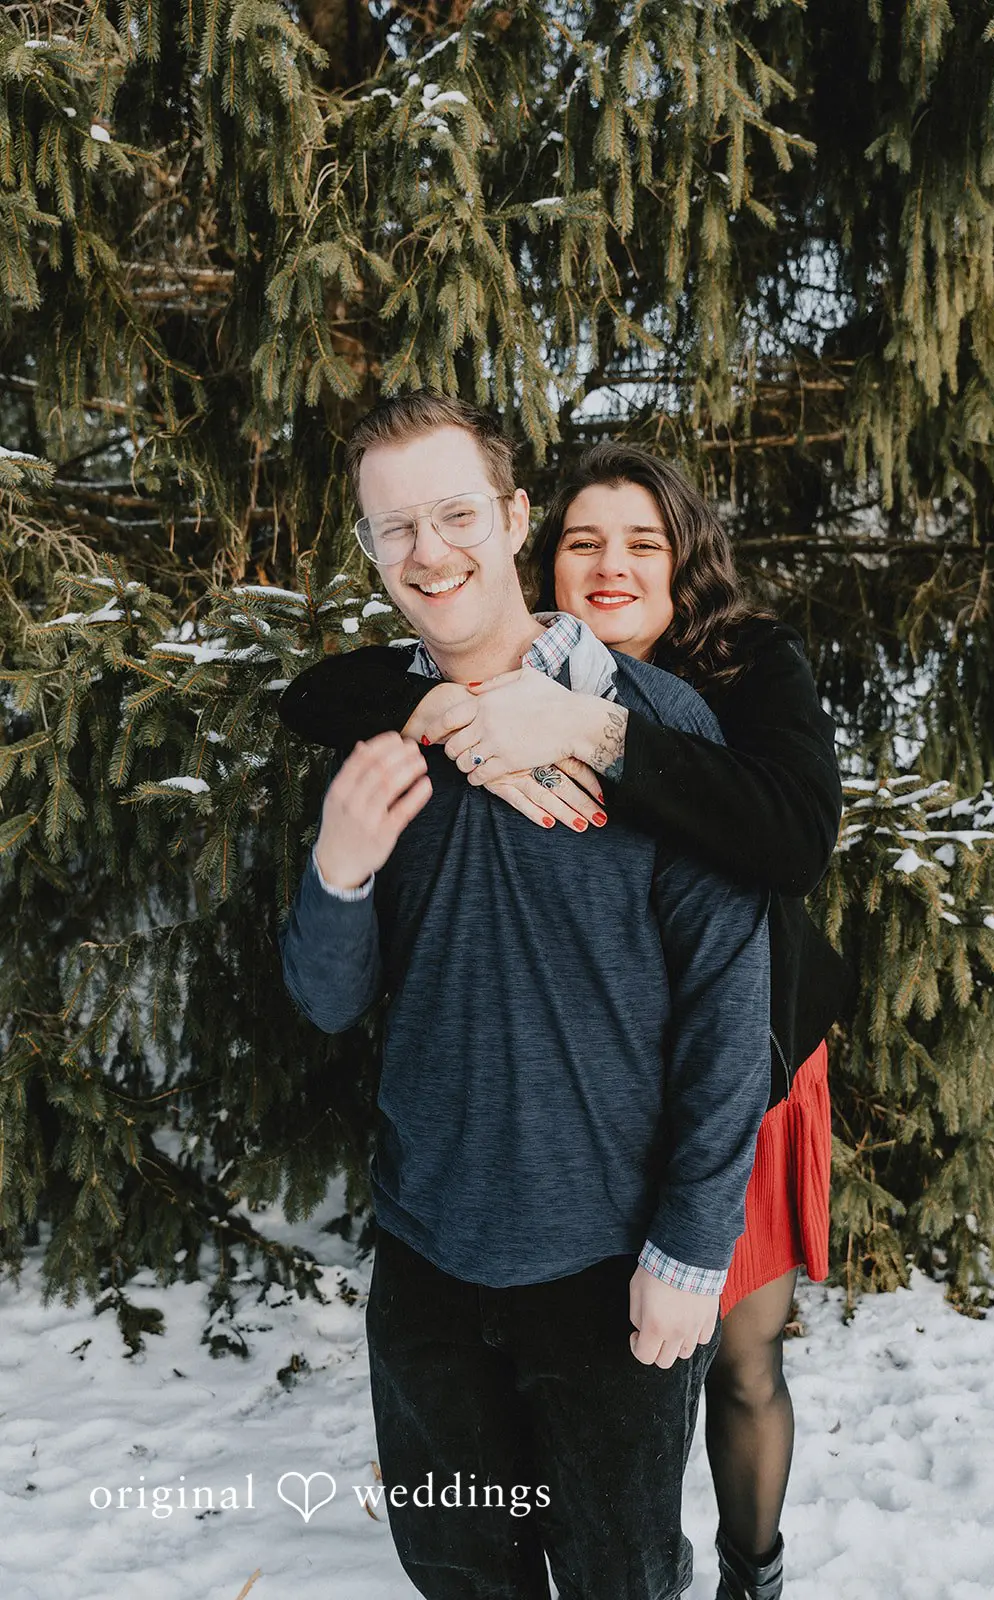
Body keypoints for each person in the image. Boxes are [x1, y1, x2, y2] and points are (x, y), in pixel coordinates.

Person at [289, 440, 850, 1600]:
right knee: (463, 1558)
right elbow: (326, 700)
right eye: (586, 543)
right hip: (443, 1234)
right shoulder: (403, 717)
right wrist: (423, 734)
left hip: (739, 1078)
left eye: (641, 542)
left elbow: (773, 870)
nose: (608, 565)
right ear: (543, 548)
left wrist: (589, 731)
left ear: (503, 519)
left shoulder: (722, 688)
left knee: (736, 1367)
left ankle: (758, 1565)